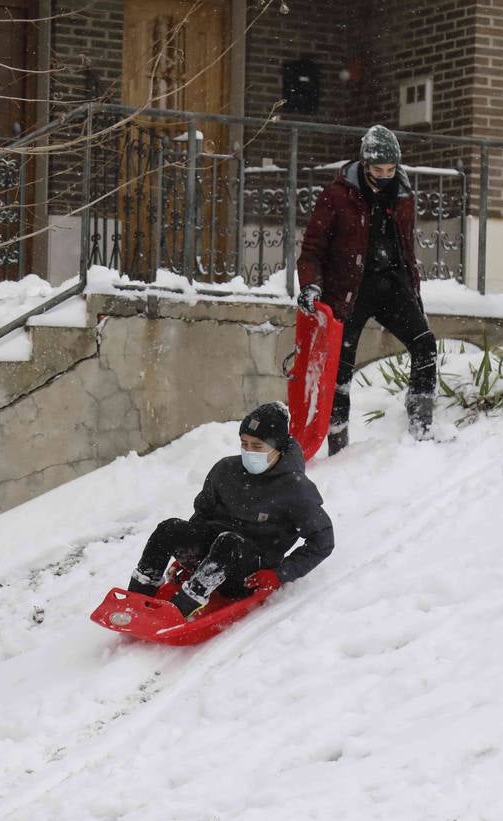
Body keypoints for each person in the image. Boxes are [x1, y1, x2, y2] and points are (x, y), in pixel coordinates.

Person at [296, 124, 438, 454]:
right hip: (349, 292)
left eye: (391, 169)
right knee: (340, 372)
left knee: (425, 345)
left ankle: (421, 428)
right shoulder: (337, 195)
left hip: (391, 287)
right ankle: (338, 444)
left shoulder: (403, 195)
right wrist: (311, 286)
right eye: (378, 170)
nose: (385, 176)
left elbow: (406, 248)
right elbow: (312, 249)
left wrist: (413, 288)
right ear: (363, 163)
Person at [127, 402, 334, 618]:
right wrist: (186, 556)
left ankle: (184, 606)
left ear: (278, 448)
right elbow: (202, 516)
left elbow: (323, 540)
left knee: (229, 543)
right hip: (211, 558)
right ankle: (138, 594)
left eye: (257, 446)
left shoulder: (295, 489)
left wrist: (279, 574)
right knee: (169, 528)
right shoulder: (225, 470)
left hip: (247, 572)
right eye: (244, 444)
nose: (248, 451)